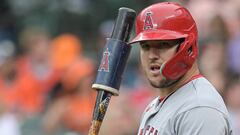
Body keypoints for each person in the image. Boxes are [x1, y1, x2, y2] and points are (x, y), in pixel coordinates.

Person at [129, 2, 233, 135]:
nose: (152, 56)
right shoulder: (158, 103)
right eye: (146, 46)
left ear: (188, 47)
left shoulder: (199, 108)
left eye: (163, 44)